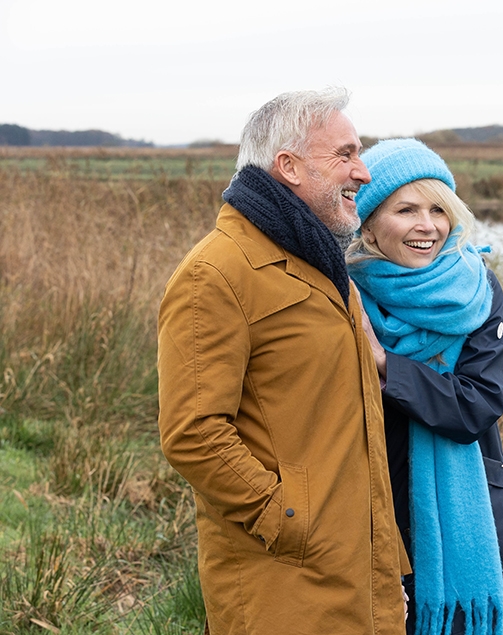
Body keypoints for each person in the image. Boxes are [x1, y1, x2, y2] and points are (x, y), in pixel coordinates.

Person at [157, 89, 409, 635]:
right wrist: (289, 520)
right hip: (285, 583)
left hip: (359, 572)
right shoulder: (217, 273)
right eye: (344, 154)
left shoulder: (320, 263)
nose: (362, 172)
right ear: (288, 166)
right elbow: (193, 432)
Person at [346, 139, 503, 635]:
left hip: (472, 516)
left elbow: (476, 405)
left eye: (438, 209)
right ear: (368, 223)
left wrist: (386, 364)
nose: (427, 225)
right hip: (371, 515)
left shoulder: (476, 290)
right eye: (406, 209)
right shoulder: (338, 292)